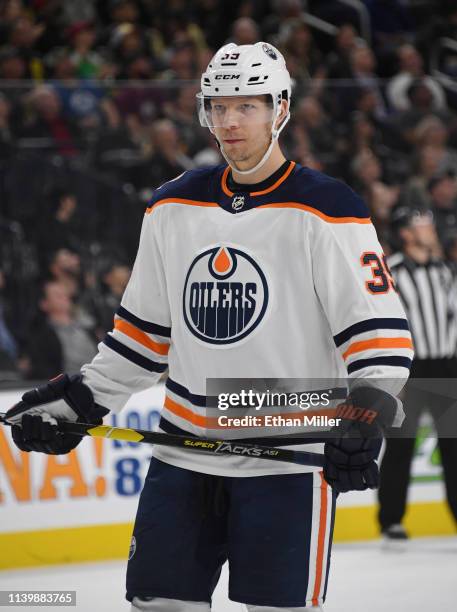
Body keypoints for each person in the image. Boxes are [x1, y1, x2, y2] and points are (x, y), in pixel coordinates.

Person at [5, 42, 413, 611]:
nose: (228, 121)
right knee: (157, 603)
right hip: (183, 453)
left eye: (246, 105)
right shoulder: (172, 205)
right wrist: (76, 402)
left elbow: (381, 342)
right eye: (217, 106)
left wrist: (362, 416)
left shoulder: (328, 208)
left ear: (281, 109)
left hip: (287, 459)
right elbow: (142, 340)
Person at [378, 207, 457, 540]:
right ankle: (391, 519)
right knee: (400, 446)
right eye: (421, 223)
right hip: (411, 369)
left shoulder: (446, 270)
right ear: (406, 234)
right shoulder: (391, 273)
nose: (430, 228)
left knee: (454, 447)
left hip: (447, 366)